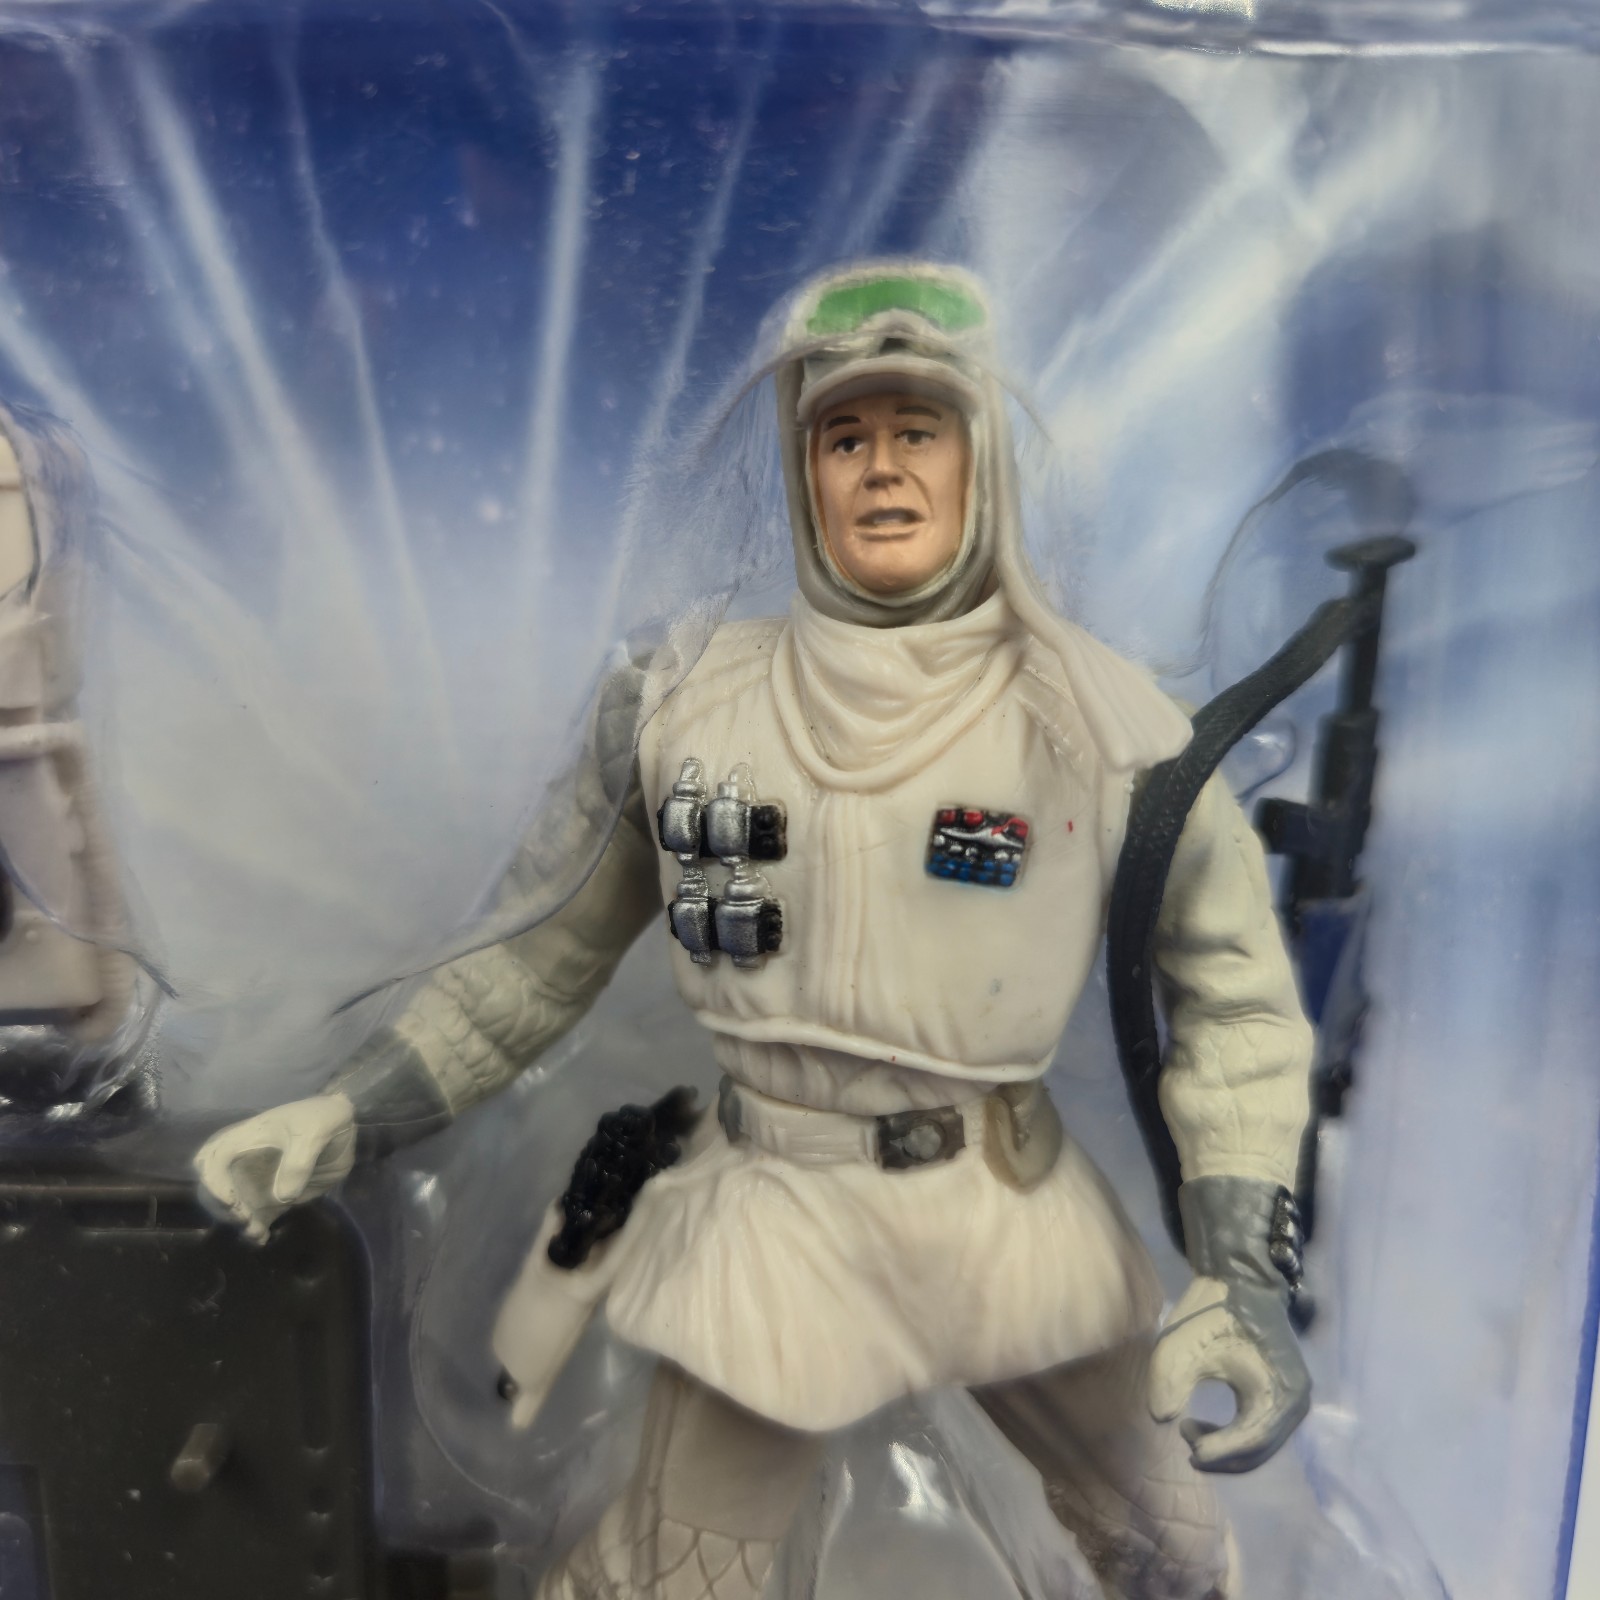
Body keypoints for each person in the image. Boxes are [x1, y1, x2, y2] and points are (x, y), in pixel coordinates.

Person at [196, 262, 1314, 1600]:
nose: (882, 470)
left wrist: (1241, 1272)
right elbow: (534, 957)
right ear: (800, 468)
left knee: (1173, 1550)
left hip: (1010, 1212)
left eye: (919, 432)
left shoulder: (1101, 722)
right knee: (674, 1577)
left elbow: (1234, 995)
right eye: (845, 438)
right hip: (779, 1217)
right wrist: (351, 1110)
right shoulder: (681, 701)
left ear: (981, 462)